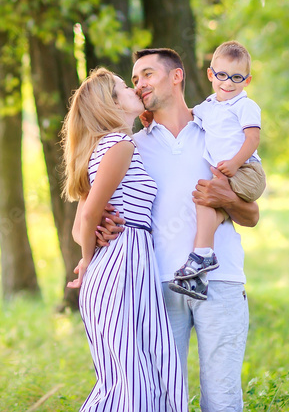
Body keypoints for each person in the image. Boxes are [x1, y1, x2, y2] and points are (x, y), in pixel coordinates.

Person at [97, 48, 259, 412]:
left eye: (147, 75)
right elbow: (110, 208)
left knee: (222, 399)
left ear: (177, 76)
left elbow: (252, 216)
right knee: (163, 399)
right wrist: (103, 227)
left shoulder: (218, 130)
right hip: (156, 287)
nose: (139, 85)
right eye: (135, 79)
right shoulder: (131, 146)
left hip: (222, 280)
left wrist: (227, 198)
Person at [62, 67, 187, 412]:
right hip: (121, 267)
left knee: (131, 377)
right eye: (124, 86)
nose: (134, 89)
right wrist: (87, 261)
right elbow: (85, 219)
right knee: (131, 381)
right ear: (112, 103)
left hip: (128, 265)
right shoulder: (119, 145)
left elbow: (82, 222)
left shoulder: (108, 146)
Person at [169, 41, 266, 301]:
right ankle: (199, 275)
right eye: (222, 75)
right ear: (211, 74)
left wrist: (234, 163)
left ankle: (202, 255)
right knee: (208, 203)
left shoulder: (245, 106)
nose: (228, 82)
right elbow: (187, 114)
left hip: (246, 170)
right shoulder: (209, 106)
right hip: (230, 173)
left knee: (206, 197)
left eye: (237, 77)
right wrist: (151, 116)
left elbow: (253, 140)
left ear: (247, 80)